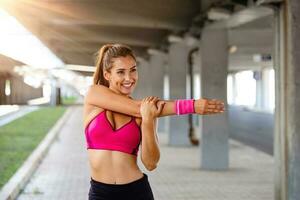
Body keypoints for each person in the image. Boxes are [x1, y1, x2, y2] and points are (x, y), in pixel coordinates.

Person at [83, 43, 225, 200]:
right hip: (100, 193)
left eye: (133, 70)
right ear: (107, 74)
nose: (129, 78)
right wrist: (192, 105)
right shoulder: (94, 95)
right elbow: (137, 108)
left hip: (136, 192)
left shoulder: (147, 112)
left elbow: (150, 164)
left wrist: (149, 121)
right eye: (121, 72)